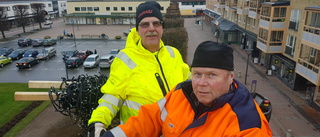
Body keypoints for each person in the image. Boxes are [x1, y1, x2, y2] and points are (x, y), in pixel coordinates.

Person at [101, 41, 272, 137]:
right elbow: (148, 119)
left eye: (212, 75)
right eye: (197, 74)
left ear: (231, 77)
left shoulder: (248, 124)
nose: (201, 83)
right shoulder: (180, 94)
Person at [87, 1, 190, 137]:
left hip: (178, 130)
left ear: (162, 28)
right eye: (145, 24)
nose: (151, 28)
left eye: (156, 23)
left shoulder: (173, 54)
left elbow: (190, 84)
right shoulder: (125, 59)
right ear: (137, 30)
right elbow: (112, 96)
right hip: (140, 133)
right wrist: (98, 122)